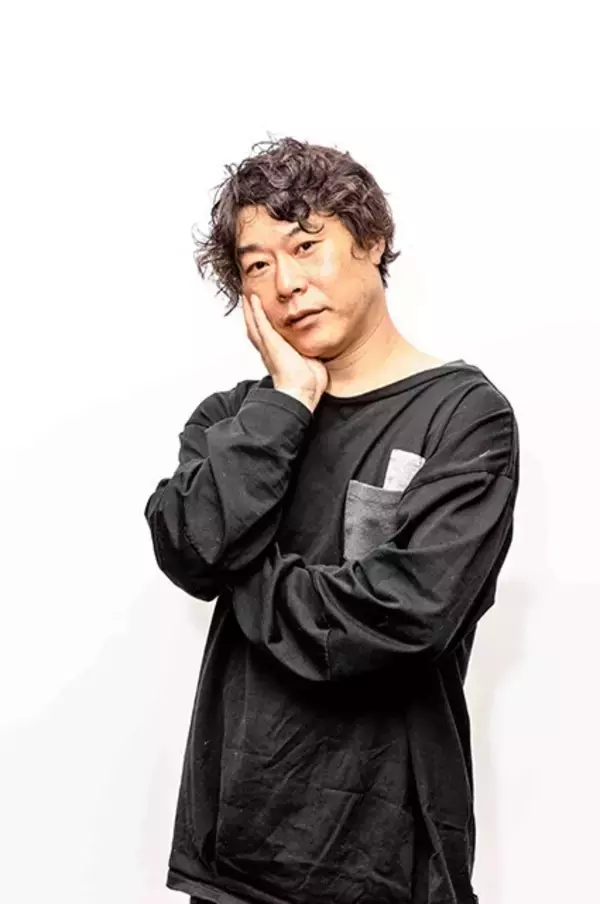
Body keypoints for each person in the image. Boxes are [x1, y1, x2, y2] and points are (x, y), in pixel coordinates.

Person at [144, 136, 519, 904]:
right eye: (256, 265)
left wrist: (242, 569)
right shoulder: (233, 421)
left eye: (305, 246)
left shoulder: (464, 417)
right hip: (233, 859)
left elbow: (402, 618)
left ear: (370, 241)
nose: (285, 283)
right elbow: (187, 546)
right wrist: (287, 402)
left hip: (388, 863)